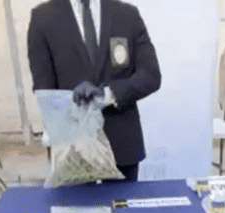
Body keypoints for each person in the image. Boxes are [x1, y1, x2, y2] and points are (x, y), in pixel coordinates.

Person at [27, 0, 161, 182]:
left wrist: (107, 95)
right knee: (76, 202)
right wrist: (73, 105)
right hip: (71, 151)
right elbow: (44, 90)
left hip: (122, 149)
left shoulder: (127, 15)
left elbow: (151, 76)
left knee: (123, 202)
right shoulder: (43, 18)